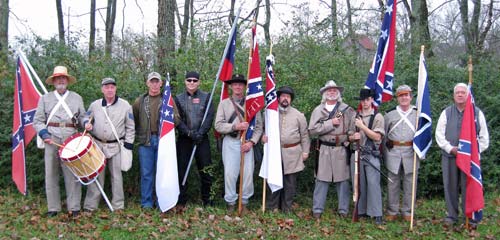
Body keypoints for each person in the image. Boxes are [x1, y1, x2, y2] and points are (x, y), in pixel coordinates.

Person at [33, 66, 86, 217]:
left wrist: (87, 122)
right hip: (51, 138)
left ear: (67, 81)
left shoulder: (77, 98)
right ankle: (53, 208)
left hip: (71, 139)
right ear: (54, 81)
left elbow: (82, 117)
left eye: (63, 78)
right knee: (51, 174)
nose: (61, 80)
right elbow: (37, 120)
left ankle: (74, 207)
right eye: (58, 78)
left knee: (73, 174)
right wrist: (44, 134)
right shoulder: (45, 98)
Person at [435, 83, 489, 227]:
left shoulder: (477, 113)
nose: (460, 94)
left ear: (468, 95)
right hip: (450, 157)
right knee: (450, 186)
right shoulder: (446, 113)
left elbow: (484, 138)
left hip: (470, 160)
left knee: (469, 186)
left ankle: (470, 216)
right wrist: (450, 148)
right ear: (454, 96)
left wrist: (473, 154)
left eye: (463, 92)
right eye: (457, 92)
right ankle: (452, 216)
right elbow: (439, 135)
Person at [83, 77, 135, 212]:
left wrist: (128, 146)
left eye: (112, 87)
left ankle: (118, 206)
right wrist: (85, 123)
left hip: (116, 146)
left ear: (115, 88)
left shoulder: (125, 105)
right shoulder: (95, 105)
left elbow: (130, 127)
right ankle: (91, 206)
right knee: (96, 176)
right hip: (97, 145)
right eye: (106, 87)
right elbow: (85, 117)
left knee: (116, 177)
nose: (109, 90)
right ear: (102, 89)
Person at [214, 74, 263, 212]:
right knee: (230, 174)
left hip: (247, 143)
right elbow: (218, 125)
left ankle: (244, 202)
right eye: (235, 84)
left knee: (248, 174)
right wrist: (234, 127)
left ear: (244, 86)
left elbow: (259, 126)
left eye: (240, 84)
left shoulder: (252, 103)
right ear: (230, 86)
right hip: (230, 142)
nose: (237, 86)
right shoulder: (224, 104)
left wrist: (252, 142)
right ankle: (231, 203)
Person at [309, 80, 356, 219]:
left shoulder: (346, 110)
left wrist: (350, 137)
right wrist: (330, 123)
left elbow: (352, 128)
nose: (332, 92)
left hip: (341, 148)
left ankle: (343, 210)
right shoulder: (318, 110)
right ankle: (317, 209)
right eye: (329, 90)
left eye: (334, 90)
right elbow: (312, 130)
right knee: (321, 179)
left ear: (339, 93)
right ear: (324, 93)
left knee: (342, 181)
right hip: (324, 148)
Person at [262, 86, 310, 213]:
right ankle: (273, 207)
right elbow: (262, 129)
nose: (285, 99)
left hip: (293, 153)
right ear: (278, 98)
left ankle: (286, 208)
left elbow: (304, 135)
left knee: (290, 183)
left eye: (288, 97)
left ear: (291, 100)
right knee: (273, 179)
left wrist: (306, 151)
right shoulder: (270, 114)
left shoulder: (298, 115)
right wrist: (263, 137)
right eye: (283, 96)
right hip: (275, 153)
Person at [174, 71, 215, 207]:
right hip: (185, 140)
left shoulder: (207, 97)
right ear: (185, 82)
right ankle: (181, 200)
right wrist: (189, 133)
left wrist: (200, 133)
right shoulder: (178, 99)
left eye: (194, 80)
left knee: (206, 170)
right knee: (182, 170)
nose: (192, 83)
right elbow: (177, 120)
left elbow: (209, 117)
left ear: (199, 82)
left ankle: (207, 200)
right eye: (189, 80)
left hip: (201, 139)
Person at [349, 88, 385, 225]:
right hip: (357, 154)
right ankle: (361, 211)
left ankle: (377, 214)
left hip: (371, 154)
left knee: (373, 184)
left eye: (367, 100)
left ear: (371, 100)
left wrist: (362, 127)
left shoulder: (377, 116)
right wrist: (353, 137)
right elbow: (349, 136)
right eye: (363, 100)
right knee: (358, 184)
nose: (365, 102)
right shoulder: (355, 116)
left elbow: (377, 136)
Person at [383, 85, 417, 221]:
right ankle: (392, 210)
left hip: (411, 151)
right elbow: (384, 135)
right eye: (401, 95)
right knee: (392, 183)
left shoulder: (417, 113)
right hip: (393, 152)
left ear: (410, 97)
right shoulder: (390, 114)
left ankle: (408, 211)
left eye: (406, 95)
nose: (404, 98)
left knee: (410, 184)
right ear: (397, 98)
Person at [132, 71, 164, 209]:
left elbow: (177, 118)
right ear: (147, 83)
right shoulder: (140, 101)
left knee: (162, 172)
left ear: (161, 83)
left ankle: (161, 201)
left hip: (163, 140)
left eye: (157, 81)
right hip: (146, 140)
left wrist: (169, 118)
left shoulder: (167, 99)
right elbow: (133, 120)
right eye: (152, 81)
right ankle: (147, 202)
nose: (154, 84)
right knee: (146, 174)